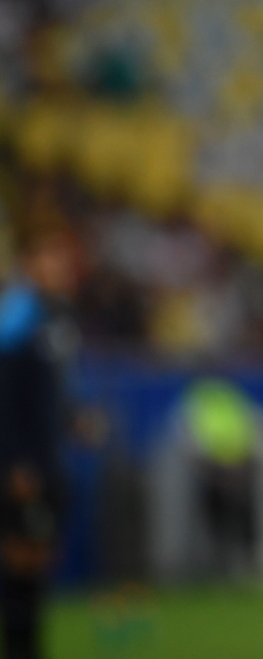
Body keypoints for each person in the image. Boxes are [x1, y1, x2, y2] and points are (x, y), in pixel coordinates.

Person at [0, 227, 81, 659]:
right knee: (19, 560)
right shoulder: (17, 315)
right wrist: (14, 461)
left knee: (38, 560)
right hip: (23, 463)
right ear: (30, 263)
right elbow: (6, 393)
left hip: (48, 458)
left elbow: (47, 389)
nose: (60, 268)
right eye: (51, 258)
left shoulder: (56, 316)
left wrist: (73, 420)